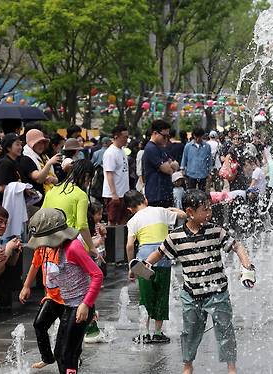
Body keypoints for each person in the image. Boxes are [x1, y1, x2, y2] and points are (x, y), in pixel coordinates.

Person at [144, 189, 256, 374]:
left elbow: (237, 246)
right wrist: (146, 264)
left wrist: (247, 267)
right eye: (205, 210)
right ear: (190, 212)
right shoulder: (176, 236)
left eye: (210, 209)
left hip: (217, 292)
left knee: (226, 331)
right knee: (190, 333)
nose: (209, 213)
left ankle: (231, 368)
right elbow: (160, 252)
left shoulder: (215, 231)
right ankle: (188, 366)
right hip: (191, 295)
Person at [26, 208, 103, 374]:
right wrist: (49, 295)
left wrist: (87, 304)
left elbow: (97, 275)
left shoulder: (73, 248)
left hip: (79, 307)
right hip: (69, 305)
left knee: (68, 355)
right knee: (61, 353)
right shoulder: (57, 248)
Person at [124, 190, 185, 344]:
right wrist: (172, 210)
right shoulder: (161, 211)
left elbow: (130, 245)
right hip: (163, 257)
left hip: (143, 260)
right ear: (145, 199)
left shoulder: (132, 220)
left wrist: (131, 266)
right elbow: (184, 215)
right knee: (161, 294)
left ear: (129, 209)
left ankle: (144, 333)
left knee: (146, 295)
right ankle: (158, 333)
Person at [42, 159, 98, 256]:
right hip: (68, 246)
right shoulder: (80, 195)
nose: (89, 183)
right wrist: (92, 247)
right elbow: (82, 225)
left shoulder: (52, 190)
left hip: (49, 247)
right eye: (90, 179)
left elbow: (41, 215)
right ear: (87, 176)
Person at [20, 129, 61, 210]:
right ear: (31, 144)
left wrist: (52, 179)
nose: (41, 145)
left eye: (43, 142)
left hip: (50, 199)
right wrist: (49, 164)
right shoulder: (26, 159)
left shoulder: (44, 157)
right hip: (36, 204)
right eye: (38, 142)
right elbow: (39, 179)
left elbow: (57, 180)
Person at [143, 120, 178, 208]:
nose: (167, 139)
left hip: (166, 192)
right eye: (164, 136)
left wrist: (170, 165)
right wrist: (170, 165)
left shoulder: (162, 148)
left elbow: (176, 164)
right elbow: (168, 170)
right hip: (156, 195)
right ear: (155, 133)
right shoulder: (151, 148)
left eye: (168, 136)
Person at [102, 125, 130, 225]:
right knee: (112, 220)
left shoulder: (122, 151)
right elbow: (109, 173)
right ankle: (111, 240)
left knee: (123, 219)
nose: (127, 139)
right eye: (125, 137)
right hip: (114, 194)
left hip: (123, 193)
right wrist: (114, 194)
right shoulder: (110, 152)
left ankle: (121, 240)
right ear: (116, 137)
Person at [0, 133, 23, 205]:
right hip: (5, 204)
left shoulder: (15, 162)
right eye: (17, 145)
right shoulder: (5, 163)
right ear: (8, 148)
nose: (20, 147)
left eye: (20, 144)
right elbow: (1, 188)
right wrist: (21, 188)